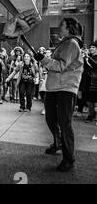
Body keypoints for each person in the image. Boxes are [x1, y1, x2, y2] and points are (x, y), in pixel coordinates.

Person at [34, 17, 84, 172]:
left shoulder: (71, 43)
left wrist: (43, 59)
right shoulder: (65, 43)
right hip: (55, 87)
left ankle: (69, 159)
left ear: (69, 27)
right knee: (51, 118)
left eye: (62, 25)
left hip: (66, 89)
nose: (59, 27)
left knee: (64, 123)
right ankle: (58, 143)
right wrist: (44, 60)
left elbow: (61, 65)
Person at [82, 41, 97, 123]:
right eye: (90, 47)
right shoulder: (87, 57)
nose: (91, 49)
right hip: (87, 80)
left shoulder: (92, 58)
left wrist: (88, 57)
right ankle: (92, 113)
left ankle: (91, 115)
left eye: (94, 47)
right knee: (88, 99)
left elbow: (95, 65)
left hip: (95, 81)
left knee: (94, 100)